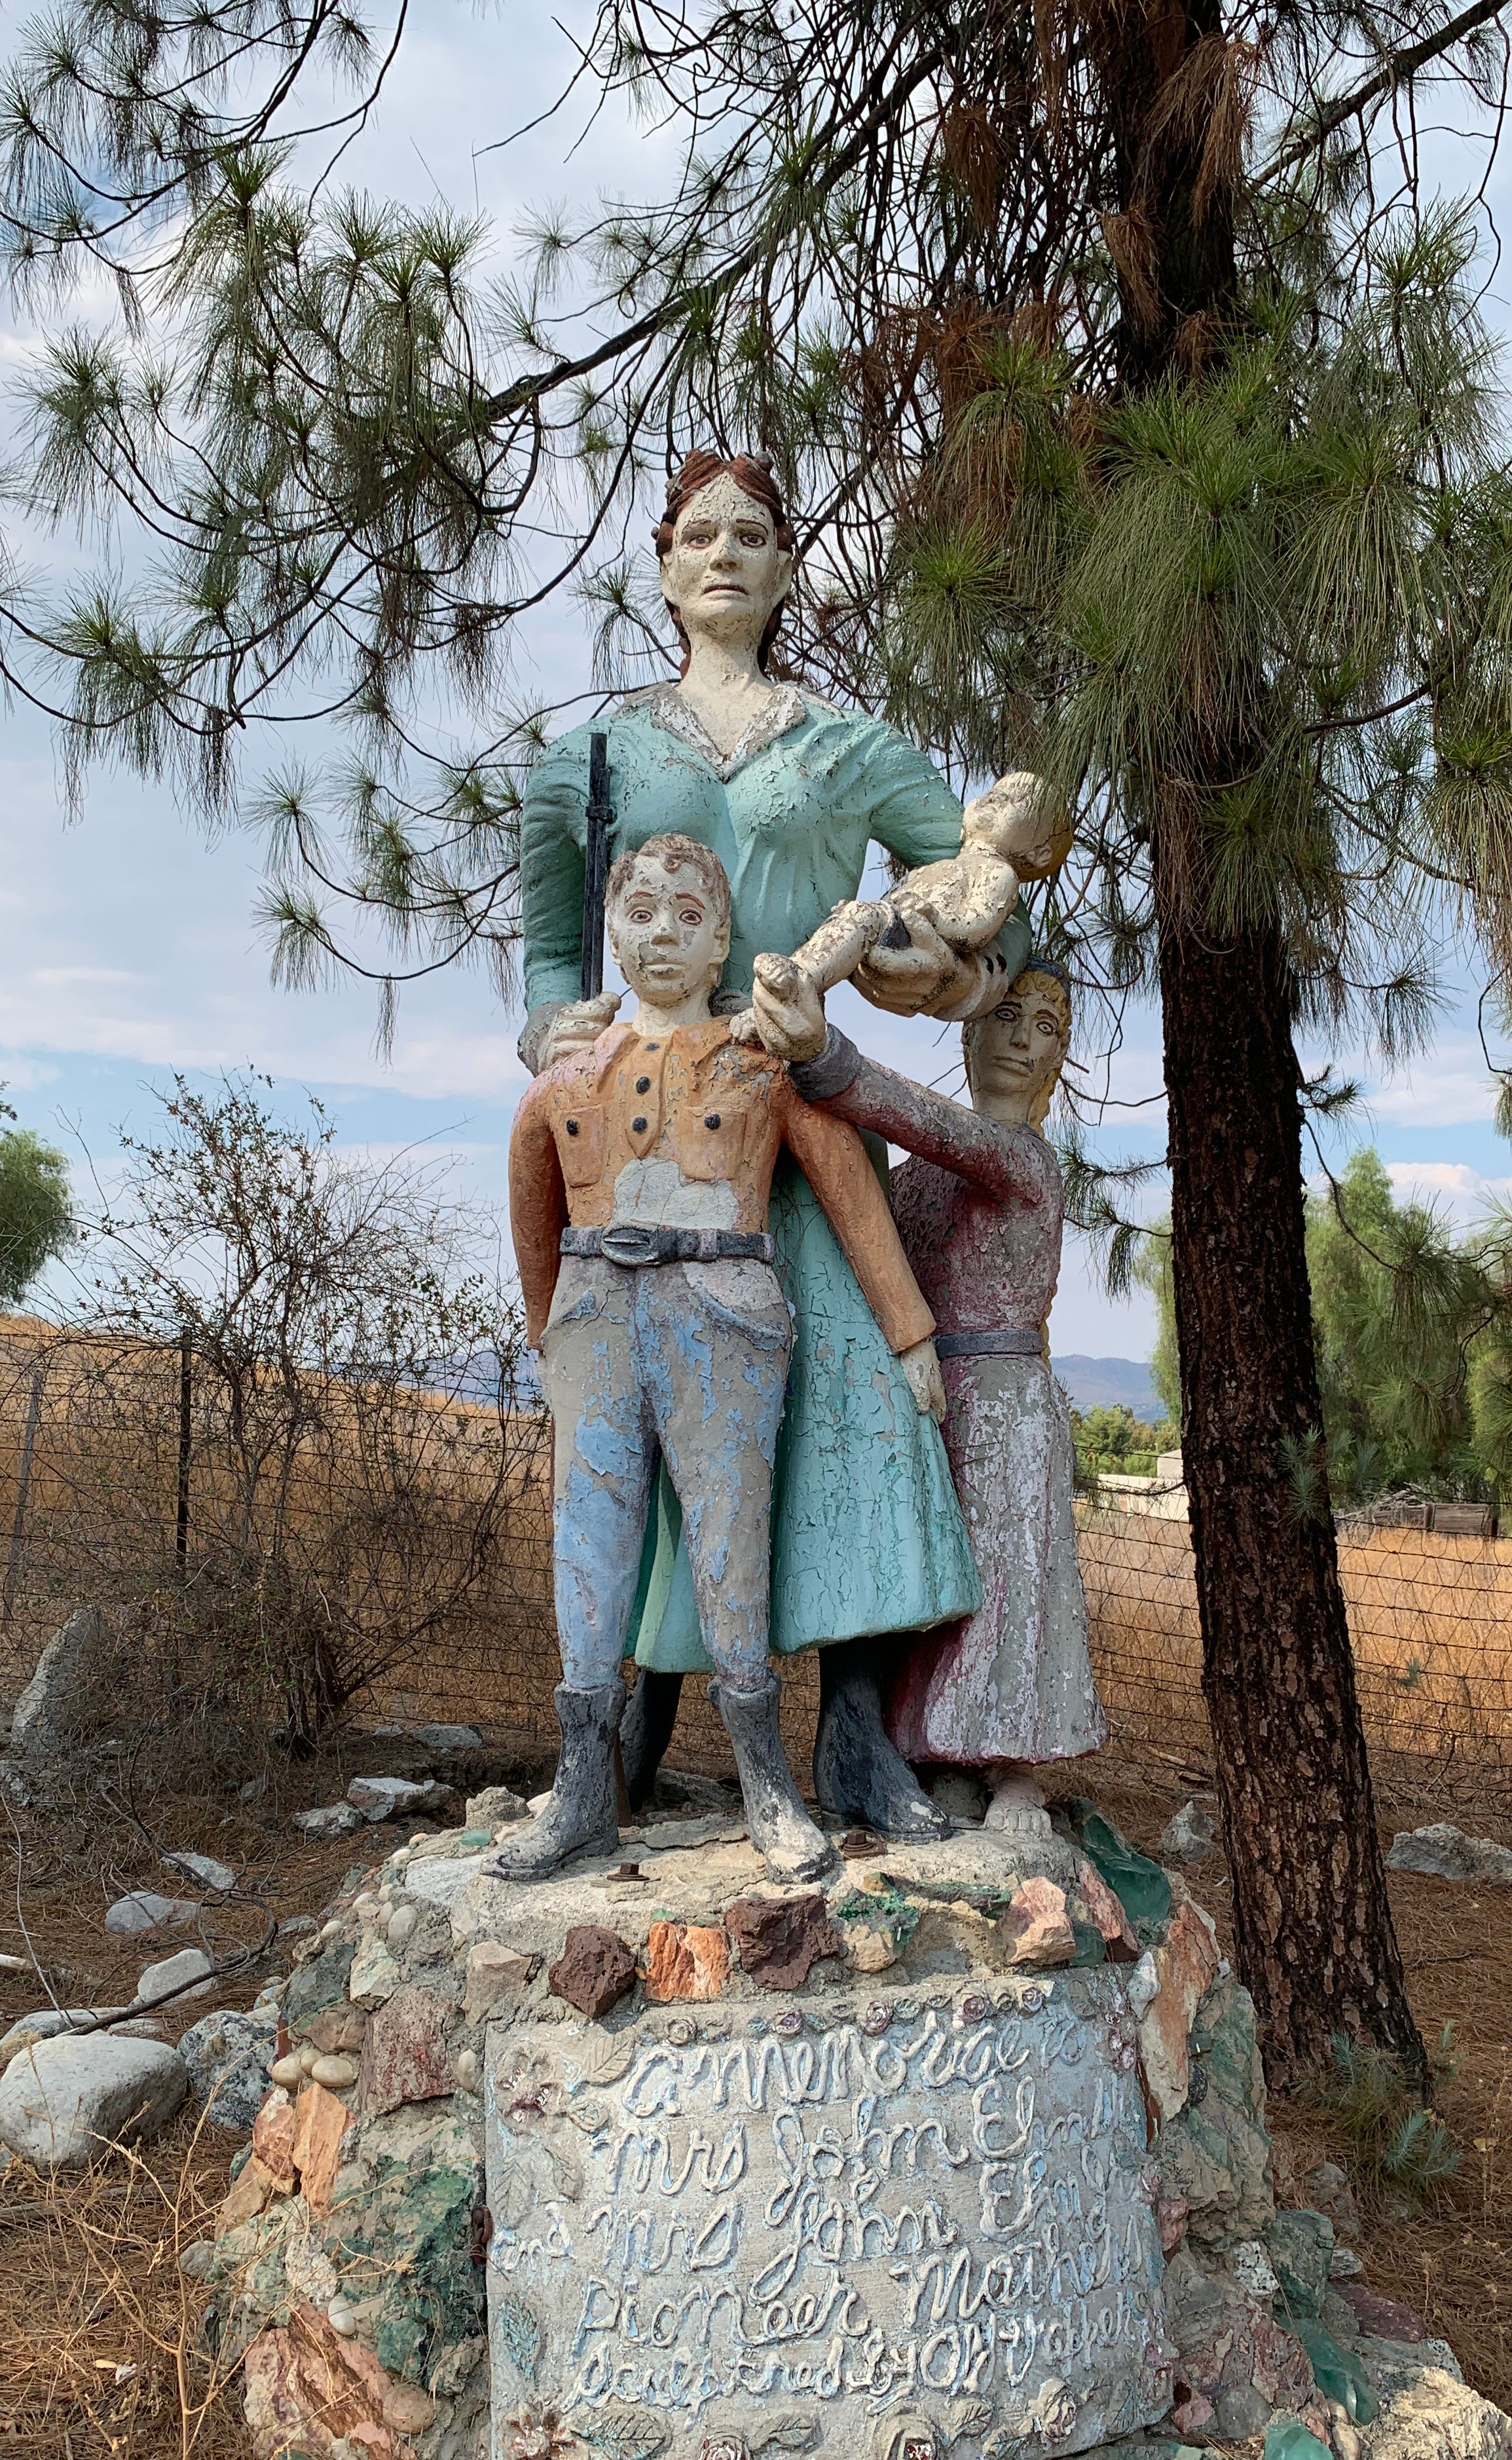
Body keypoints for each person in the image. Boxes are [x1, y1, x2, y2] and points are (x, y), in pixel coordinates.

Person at [518, 447, 1040, 1840]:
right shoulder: (594, 755)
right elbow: (544, 941)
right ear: (664, 562)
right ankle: (625, 1733)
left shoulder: (851, 748)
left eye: (755, 534)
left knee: (856, 1414)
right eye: (701, 535)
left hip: (804, 1112)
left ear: (789, 565)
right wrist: (553, 1038)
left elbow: (987, 921)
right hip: (658, 1139)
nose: (727, 555)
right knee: (645, 1411)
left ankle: (856, 1742)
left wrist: (903, 974)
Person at [496, 833, 946, 1884]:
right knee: (590, 1542)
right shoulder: (571, 1077)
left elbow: (848, 1188)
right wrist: (545, 1330)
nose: (661, 934)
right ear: (611, 932)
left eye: (688, 916)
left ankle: (766, 1786)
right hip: (597, 1312)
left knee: (731, 1538)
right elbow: (530, 1190)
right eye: (640, 912)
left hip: (724, 1311)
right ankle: (582, 1791)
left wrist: (909, 1331)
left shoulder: (761, 1068)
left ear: (723, 945)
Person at [751, 952, 1106, 1832]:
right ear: (970, 1029)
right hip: (919, 1397)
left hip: (1002, 1401)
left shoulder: (1021, 1159)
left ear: (1061, 1059)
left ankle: (1009, 1764)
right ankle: (928, 1751)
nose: (1022, 1040)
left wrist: (824, 1056)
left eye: (1047, 1027)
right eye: (1007, 1017)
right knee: (935, 1585)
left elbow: (934, 1125)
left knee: (1003, 1582)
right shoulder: (911, 1185)